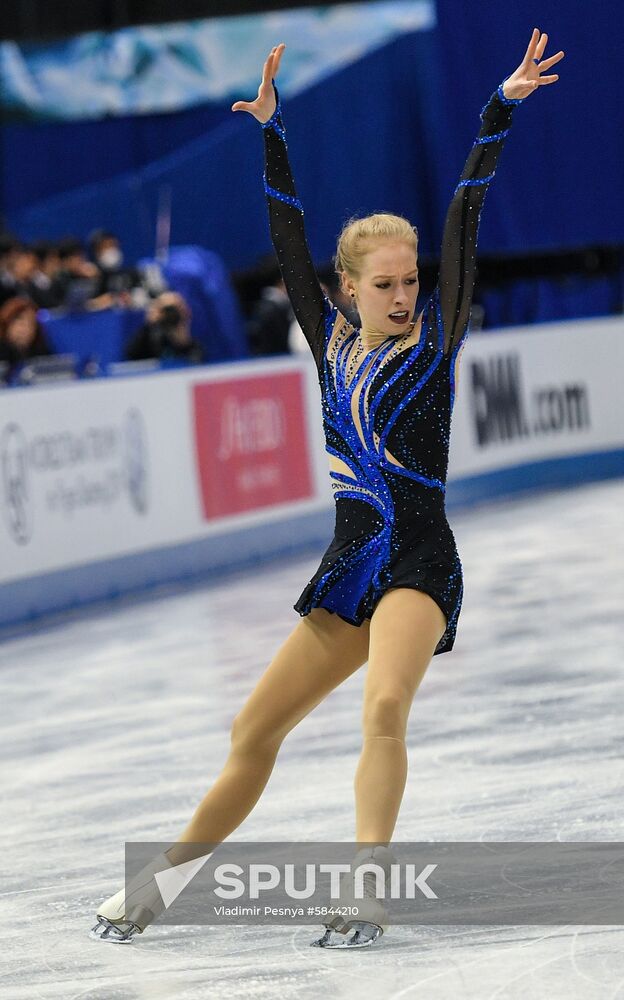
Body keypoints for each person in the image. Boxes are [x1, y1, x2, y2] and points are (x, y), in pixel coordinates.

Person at [91, 30, 564, 948]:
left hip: (422, 561)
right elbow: (285, 230)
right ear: (345, 291)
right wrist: (270, 132)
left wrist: (497, 109)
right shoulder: (331, 340)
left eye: (410, 279)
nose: (403, 294)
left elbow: (465, 211)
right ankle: (157, 887)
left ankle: (366, 891)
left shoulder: (437, 340)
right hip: (350, 565)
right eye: (383, 283)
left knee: (382, 706)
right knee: (252, 729)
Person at [124, 291, 204, 363]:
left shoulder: (193, 331)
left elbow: (197, 361)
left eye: (173, 309)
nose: (171, 314)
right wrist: (148, 324)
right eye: (167, 309)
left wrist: (184, 340)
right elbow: (132, 356)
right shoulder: (152, 334)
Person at [0, 296, 53, 375]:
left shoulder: (40, 351)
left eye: (31, 324)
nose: (26, 329)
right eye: (20, 323)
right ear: (7, 324)